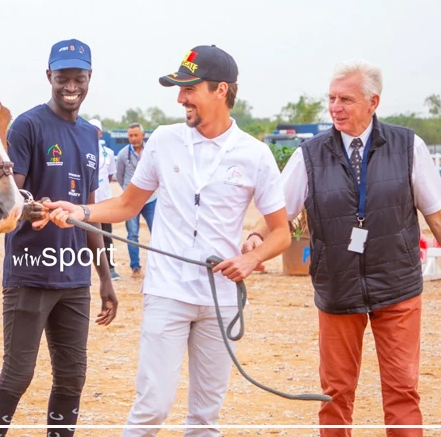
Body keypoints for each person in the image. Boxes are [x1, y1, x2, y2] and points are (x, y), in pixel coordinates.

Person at [37, 45, 292, 436]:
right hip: (167, 292)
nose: (180, 98)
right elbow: (126, 204)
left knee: (205, 419)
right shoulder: (164, 140)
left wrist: (251, 258)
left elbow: (281, 233)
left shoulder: (255, 155)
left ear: (220, 90)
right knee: (150, 410)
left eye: (189, 89)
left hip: (220, 298)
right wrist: (78, 212)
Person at [244, 60, 441, 436]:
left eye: (346, 99)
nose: (335, 107)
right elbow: (280, 211)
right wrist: (257, 239)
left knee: (402, 393)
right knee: (335, 396)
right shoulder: (308, 156)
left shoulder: (409, 146)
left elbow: (439, 218)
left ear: (373, 102)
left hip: (398, 289)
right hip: (338, 290)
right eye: (331, 98)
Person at [0, 39, 118, 437]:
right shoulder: (28, 125)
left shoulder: (91, 136)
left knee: (72, 377)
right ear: (49, 78)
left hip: (75, 279)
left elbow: (90, 213)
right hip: (30, 275)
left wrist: (105, 276)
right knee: (17, 375)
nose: (70, 86)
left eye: (79, 78)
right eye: (63, 78)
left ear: (89, 79)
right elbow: (10, 198)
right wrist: (32, 207)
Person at [114, 123, 157, 278]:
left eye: (135, 135)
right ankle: (135, 267)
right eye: (130, 135)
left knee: (157, 233)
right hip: (131, 202)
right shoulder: (122, 154)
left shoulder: (152, 152)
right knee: (132, 235)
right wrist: (129, 192)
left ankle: (156, 267)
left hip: (151, 200)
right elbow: (119, 176)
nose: (133, 138)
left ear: (142, 135)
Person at [88, 118, 122, 280]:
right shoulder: (80, 150)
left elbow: (110, 176)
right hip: (86, 203)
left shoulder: (108, 153)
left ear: (101, 132)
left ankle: (110, 269)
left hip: (104, 201)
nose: (93, 132)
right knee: (81, 237)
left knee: (106, 237)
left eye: (96, 129)